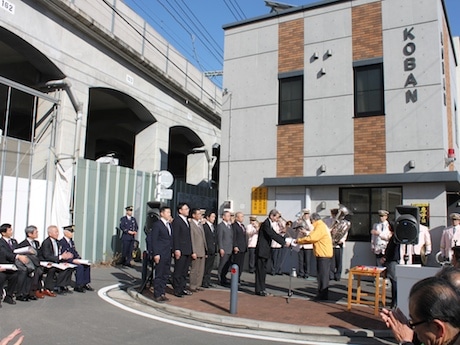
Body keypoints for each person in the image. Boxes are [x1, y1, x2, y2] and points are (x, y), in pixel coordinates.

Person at [296, 213, 333, 301]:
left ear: (314, 220)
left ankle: (322, 295)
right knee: (321, 275)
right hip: (323, 253)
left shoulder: (320, 226)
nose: (311, 223)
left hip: (323, 254)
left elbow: (312, 238)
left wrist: (299, 240)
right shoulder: (321, 225)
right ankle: (321, 294)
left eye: (311, 221)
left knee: (322, 276)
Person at [255, 209, 290, 296]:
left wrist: (284, 239)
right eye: (277, 217)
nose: (277, 219)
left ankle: (262, 288)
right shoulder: (266, 224)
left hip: (265, 251)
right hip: (262, 251)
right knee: (260, 271)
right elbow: (272, 234)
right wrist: (284, 242)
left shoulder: (269, 224)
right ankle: (260, 290)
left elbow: (274, 233)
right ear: (272, 216)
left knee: (263, 271)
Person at [146, 206, 173, 303]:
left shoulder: (169, 225)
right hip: (160, 253)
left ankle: (162, 292)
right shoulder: (157, 225)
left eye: (170, 212)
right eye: (167, 212)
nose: (169, 214)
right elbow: (154, 240)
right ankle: (157, 294)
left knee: (165, 274)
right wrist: (156, 253)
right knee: (159, 274)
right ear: (162, 213)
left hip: (168, 253)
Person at [39, 225, 74, 295]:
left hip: (56, 262)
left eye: (57, 232)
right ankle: (49, 288)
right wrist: (60, 257)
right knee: (52, 269)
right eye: (55, 232)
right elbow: (47, 256)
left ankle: (63, 285)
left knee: (68, 267)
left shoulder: (57, 242)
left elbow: (59, 253)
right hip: (47, 263)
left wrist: (64, 258)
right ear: (50, 234)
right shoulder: (46, 242)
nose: (57, 234)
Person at [0, 223, 28, 305]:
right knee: (1, 278)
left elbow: (17, 250)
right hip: (3, 265)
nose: (11, 232)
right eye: (9, 230)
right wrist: (18, 256)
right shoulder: (1, 242)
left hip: (13, 266)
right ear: (3, 233)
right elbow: (5, 253)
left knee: (15, 276)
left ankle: (9, 296)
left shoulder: (14, 241)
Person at [59, 225, 93, 293]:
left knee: (86, 265)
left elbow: (74, 251)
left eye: (72, 232)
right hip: (66, 260)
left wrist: (79, 258)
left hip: (74, 260)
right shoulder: (61, 242)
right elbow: (64, 255)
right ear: (65, 233)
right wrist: (72, 260)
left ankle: (85, 283)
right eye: (70, 232)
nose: (72, 234)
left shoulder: (71, 241)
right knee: (79, 267)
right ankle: (79, 285)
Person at [172, 202, 193, 297]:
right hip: (180, 249)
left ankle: (182, 287)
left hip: (187, 249)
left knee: (185, 271)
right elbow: (175, 236)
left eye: (188, 208)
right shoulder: (177, 221)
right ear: (180, 210)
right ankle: (177, 289)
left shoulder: (187, 221)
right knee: (178, 270)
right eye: (186, 209)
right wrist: (176, 249)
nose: (188, 210)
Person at [17, 225, 44, 299]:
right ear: (29, 234)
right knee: (33, 272)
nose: (37, 233)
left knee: (38, 271)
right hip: (28, 264)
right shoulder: (23, 244)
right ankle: (26, 292)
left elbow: (39, 254)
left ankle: (32, 292)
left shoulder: (37, 243)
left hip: (36, 263)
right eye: (36, 232)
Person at [328, 207, 350, 281]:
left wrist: (342, 240)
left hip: (339, 244)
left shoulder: (345, 223)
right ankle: (331, 275)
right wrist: (332, 231)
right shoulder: (332, 222)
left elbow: (344, 232)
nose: (334, 216)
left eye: (335, 215)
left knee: (339, 261)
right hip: (331, 244)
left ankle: (338, 276)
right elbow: (328, 230)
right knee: (331, 261)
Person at [382, 221, 399, 308]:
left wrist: (386, 257)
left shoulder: (395, 238)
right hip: (391, 261)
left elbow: (393, 251)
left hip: (392, 261)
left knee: (394, 281)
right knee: (393, 281)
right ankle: (394, 301)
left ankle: (395, 302)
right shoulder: (394, 237)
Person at [189, 208, 207, 292]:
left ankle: (198, 285)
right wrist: (193, 251)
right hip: (195, 250)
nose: (200, 215)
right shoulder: (191, 224)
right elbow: (192, 238)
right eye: (198, 214)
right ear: (193, 215)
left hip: (202, 250)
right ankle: (192, 285)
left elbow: (203, 238)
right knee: (194, 269)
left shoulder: (200, 224)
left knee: (201, 269)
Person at [294, 209, 314, 279]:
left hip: (308, 244)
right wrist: (298, 223)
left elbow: (312, 231)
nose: (305, 215)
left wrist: (306, 232)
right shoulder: (299, 221)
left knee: (307, 260)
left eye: (306, 214)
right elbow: (295, 229)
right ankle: (301, 273)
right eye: (304, 214)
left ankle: (307, 273)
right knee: (300, 260)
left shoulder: (311, 222)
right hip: (301, 243)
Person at [216, 210, 233, 286]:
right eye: (228, 216)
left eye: (230, 216)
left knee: (227, 265)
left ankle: (224, 277)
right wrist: (221, 248)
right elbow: (219, 238)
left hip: (230, 248)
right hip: (224, 248)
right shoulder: (220, 226)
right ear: (223, 217)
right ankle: (220, 279)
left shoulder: (229, 226)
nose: (229, 217)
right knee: (222, 264)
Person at [202, 211, 217, 288]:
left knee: (210, 267)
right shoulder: (204, 226)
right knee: (206, 267)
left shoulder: (213, 226)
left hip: (213, 249)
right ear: (207, 217)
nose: (214, 219)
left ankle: (208, 280)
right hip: (207, 249)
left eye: (214, 217)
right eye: (212, 217)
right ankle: (204, 281)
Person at [232, 211, 247, 281]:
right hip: (237, 247)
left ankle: (238, 277)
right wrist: (235, 246)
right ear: (237, 218)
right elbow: (234, 236)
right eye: (241, 216)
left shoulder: (242, 226)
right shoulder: (234, 226)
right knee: (236, 264)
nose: (242, 218)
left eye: (243, 216)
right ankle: (234, 277)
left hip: (243, 248)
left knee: (241, 264)